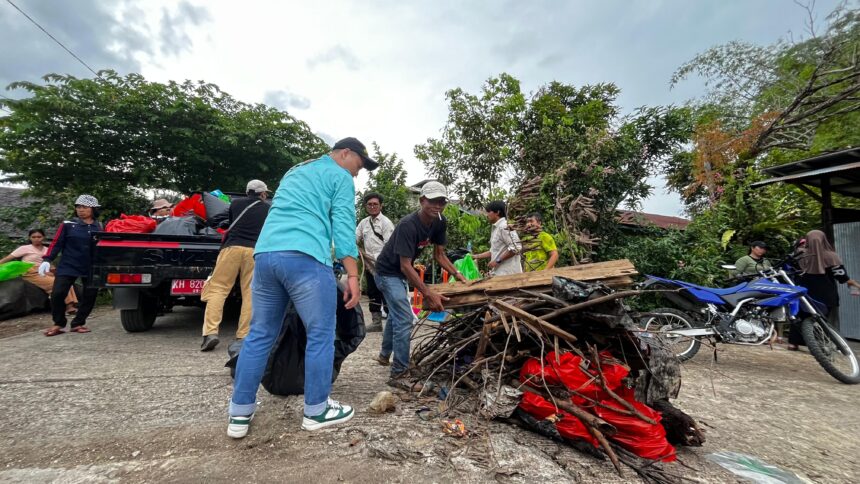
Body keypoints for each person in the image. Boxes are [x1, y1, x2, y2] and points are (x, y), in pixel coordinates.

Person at [228, 137, 376, 439]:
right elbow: (343, 227)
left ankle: (239, 413)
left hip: (265, 255)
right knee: (320, 334)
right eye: (358, 166)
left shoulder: (296, 170)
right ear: (345, 153)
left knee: (259, 334)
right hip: (305, 257)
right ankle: (316, 410)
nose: (357, 174)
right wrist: (353, 276)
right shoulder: (339, 176)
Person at [373, 181, 469, 380]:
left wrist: (459, 275)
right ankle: (399, 373)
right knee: (404, 318)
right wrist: (428, 293)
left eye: (442, 201)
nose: (437, 206)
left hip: (400, 273)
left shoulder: (440, 221)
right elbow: (405, 265)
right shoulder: (408, 225)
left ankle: (384, 356)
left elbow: (439, 255)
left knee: (396, 314)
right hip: (387, 273)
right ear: (422, 200)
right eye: (432, 201)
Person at [200, 180, 271, 351]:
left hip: (231, 248)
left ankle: (210, 333)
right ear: (263, 194)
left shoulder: (236, 203)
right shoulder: (268, 208)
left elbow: (231, 223)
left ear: (247, 192)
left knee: (218, 289)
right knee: (250, 293)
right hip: (254, 251)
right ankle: (243, 336)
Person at [39, 195, 104, 336]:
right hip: (69, 264)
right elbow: (57, 243)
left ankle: (78, 323)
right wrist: (47, 259)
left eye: (84, 207)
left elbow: (103, 247)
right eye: (78, 207)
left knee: (90, 295)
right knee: (57, 293)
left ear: (93, 209)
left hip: (90, 266)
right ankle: (58, 323)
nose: (81, 210)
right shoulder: (68, 224)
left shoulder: (99, 226)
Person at [788, 229, 860, 350]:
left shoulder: (799, 254)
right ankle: (820, 345)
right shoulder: (831, 256)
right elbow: (841, 276)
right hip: (826, 295)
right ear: (824, 240)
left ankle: (793, 343)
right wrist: (853, 283)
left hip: (803, 293)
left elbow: (790, 270)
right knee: (822, 319)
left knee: (799, 315)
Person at [0, 229, 78, 314]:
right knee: (56, 283)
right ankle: (68, 306)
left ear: (43, 237)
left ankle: (71, 304)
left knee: (65, 282)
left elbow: (50, 264)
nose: (36, 239)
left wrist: (54, 271)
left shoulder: (47, 250)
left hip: (46, 271)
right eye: (33, 237)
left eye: (39, 237)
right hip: (31, 272)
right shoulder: (24, 248)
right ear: (30, 238)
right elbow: (7, 258)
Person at [355, 192, 395, 332]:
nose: (372, 207)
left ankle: (391, 323)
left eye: (375, 204)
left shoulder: (386, 223)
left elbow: (390, 246)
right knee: (372, 292)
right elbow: (355, 238)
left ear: (381, 206)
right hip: (369, 266)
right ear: (366, 206)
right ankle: (376, 322)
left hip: (384, 265)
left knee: (386, 293)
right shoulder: (363, 223)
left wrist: (379, 260)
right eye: (369, 204)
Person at [473, 200, 522, 276]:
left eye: (489, 212)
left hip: (508, 274)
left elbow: (516, 247)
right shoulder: (496, 228)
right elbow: (494, 251)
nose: (487, 215)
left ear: (497, 212)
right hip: (499, 273)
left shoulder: (504, 226)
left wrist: (497, 261)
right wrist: (476, 256)